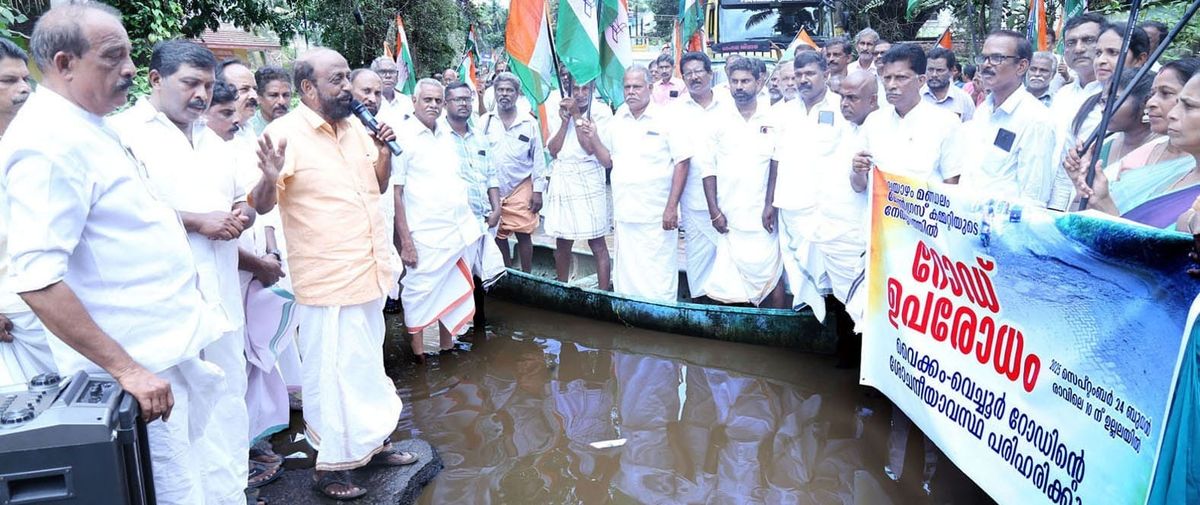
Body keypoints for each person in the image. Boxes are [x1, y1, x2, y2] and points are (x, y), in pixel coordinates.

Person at [2, 4, 228, 502]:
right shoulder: (47, 143)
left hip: (161, 356)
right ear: (63, 64)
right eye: (114, 57)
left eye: (128, 55)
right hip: (135, 375)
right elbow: (37, 279)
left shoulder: (89, 125)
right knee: (172, 490)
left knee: (196, 478)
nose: (129, 68)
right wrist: (127, 369)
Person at [250, 47, 416, 500]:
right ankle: (331, 468)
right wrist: (267, 176)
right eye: (338, 80)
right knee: (330, 375)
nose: (348, 87)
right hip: (326, 280)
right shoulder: (283, 134)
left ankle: (371, 445)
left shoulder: (357, 127)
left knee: (365, 369)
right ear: (309, 88)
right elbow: (262, 203)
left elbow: (378, 185)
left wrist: (384, 150)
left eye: (348, 78)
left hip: (369, 270)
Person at [110, 40, 261, 503]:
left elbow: (244, 199)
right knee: (175, 426)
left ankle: (229, 495)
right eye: (190, 83)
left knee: (227, 403)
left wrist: (240, 213)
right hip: (162, 308)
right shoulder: (122, 134)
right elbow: (120, 217)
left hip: (220, 295)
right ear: (155, 80)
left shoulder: (214, 140)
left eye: (209, 85)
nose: (201, 94)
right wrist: (197, 221)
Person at [206, 79, 292, 490]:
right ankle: (235, 464)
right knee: (227, 369)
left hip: (256, 269)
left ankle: (253, 446)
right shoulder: (195, 154)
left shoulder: (243, 144)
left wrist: (270, 257)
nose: (236, 114)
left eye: (238, 107)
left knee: (255, 360)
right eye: (226, 109)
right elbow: (212, 232)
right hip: (227, 275)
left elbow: (262, 211)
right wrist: (256, 262)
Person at [391, 78, 487, 356]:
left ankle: (448, 348)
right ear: (415, 102)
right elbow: (396, 194)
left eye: (437, 101)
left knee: (453, 288)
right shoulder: (402, 136)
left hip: (456, 231)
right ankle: (418, 355)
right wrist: (405, 242)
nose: (433, 105)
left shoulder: (446, 135)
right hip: (424, 233)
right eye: (427, 100)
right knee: (418, 292)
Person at [592, 66, 692, 303]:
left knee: (658, 275)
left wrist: (671, 207)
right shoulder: (618, 119)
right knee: (628, 274)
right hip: (626, 213)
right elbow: (607, 160)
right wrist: (593, 137)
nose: (631, 92)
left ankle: (661, 316)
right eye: (627, 87)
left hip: (656, 214)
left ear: (649, 88)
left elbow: (683, 162)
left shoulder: (666, 118)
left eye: (637, 86)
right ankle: (628, 315)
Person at [694, 57, 784, 307]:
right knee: (729, 283)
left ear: (759, 81)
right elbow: (707, 169)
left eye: (745, 81)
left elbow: (776, 164)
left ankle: (775, 333)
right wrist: (714, 212)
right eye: (734, 81)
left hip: (762, 216)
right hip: (729, 214)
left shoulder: (773, 118)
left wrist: (770, 205)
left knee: (771, 275)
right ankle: (736, 335)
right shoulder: (716, 119)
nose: (739, 86)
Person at [1067, 59, 1200, 228]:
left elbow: (1151, 248)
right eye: (1151, 95)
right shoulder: (1177, 169)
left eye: (1188, 105)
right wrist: (1089, 190)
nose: (1173, 113)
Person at [1050, 21, 1151, 209]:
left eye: (1112, 53)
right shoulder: (1069, 94)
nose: (1101, 60)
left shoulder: (1149, 108)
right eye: (1098, 53)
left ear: (1140, 59)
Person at [0, 37, 54, 386]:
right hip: (10, 315)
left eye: (25, 80)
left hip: (55, 301)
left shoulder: (40, 139)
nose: (23, 89)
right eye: (8, 81)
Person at [958, 30, 1058, 205]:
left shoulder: (1036, 120)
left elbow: (1034, 199)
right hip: (968, 222)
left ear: (1021, 66)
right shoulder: (983, 111)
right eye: (984, 58)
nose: (987, 66)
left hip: (1002, 229)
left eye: (997, 58)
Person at [852, 44, 962, 193]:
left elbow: (952, 185)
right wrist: (858, 171)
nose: (891, 85)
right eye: (887, 78)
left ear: (921, 80)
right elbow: (858, 186)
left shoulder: (946, 122)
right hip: (880, 214)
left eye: (900, 78)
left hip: (926, 213)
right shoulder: (874, 121)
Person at [545, 77, 614, 290]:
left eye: (585, 88)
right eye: (576, 88)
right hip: (563, 174)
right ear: (568, 88)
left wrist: (576, 115)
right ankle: (562, 288)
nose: (581, 93)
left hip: (589, 175)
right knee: (563, 241)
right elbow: (553, 150)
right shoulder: (557, 107)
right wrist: (565, 121)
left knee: (597, 241)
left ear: (593, 88)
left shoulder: (602, 112)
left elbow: (589, 148)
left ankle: (603, 294)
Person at [441, 81, 506, 302]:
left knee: (479, 279)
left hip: (483, 219)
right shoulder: (438, 137)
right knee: (456, 278)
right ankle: (454, 333)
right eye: (458, 99)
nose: (464, 104)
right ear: (445, 103)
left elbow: (491, 176)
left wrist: (497, 208)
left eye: (467, 99)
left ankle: (478, 330)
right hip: (454, 222)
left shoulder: (480, 136)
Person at [675, 51, 732, 302]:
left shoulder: (730, 104)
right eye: (688, 73)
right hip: (694, 201)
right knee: (698, 261)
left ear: (710, 73)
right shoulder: (676, 111)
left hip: (731, 198)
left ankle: (734, 306)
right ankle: (702, 309)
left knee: (731, 260)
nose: (694, 77)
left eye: (699, 71)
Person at [480, 72, 547, 273]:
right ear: (494, 92)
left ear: (517, 94)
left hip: (521, 185)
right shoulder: (485, 122)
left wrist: (538, 191)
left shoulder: (529, 122)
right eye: (500, 90)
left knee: (523, 232)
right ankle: (506, 271)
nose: (504, 94)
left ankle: (526, 274)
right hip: (493, 187)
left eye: (509, 90)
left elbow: (538, 159)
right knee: (497, 232)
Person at [1046, 13, 1107, 208]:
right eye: (1071, 42)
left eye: (1088, 40)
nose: (1079, 49)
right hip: (1049, 196)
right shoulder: (1062, 94)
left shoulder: (1117, 96)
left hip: (1089, 199)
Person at [922, 47, 975, 121]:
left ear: (951, 71)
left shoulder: (963, 100)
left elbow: (970, 129)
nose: (934, 74)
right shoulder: (916, 97)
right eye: (930, 70)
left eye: (939, 70)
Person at [218, 58, 259, 136]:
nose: (254, 96)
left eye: (255, 89)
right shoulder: (213, 134)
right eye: (244, 89)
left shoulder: (248, 127)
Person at [249, 66, 291, 135]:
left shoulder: (301, 123)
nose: (282, 101)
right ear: (258, 97)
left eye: (286, 95)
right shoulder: (249, 129)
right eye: (273, 95)